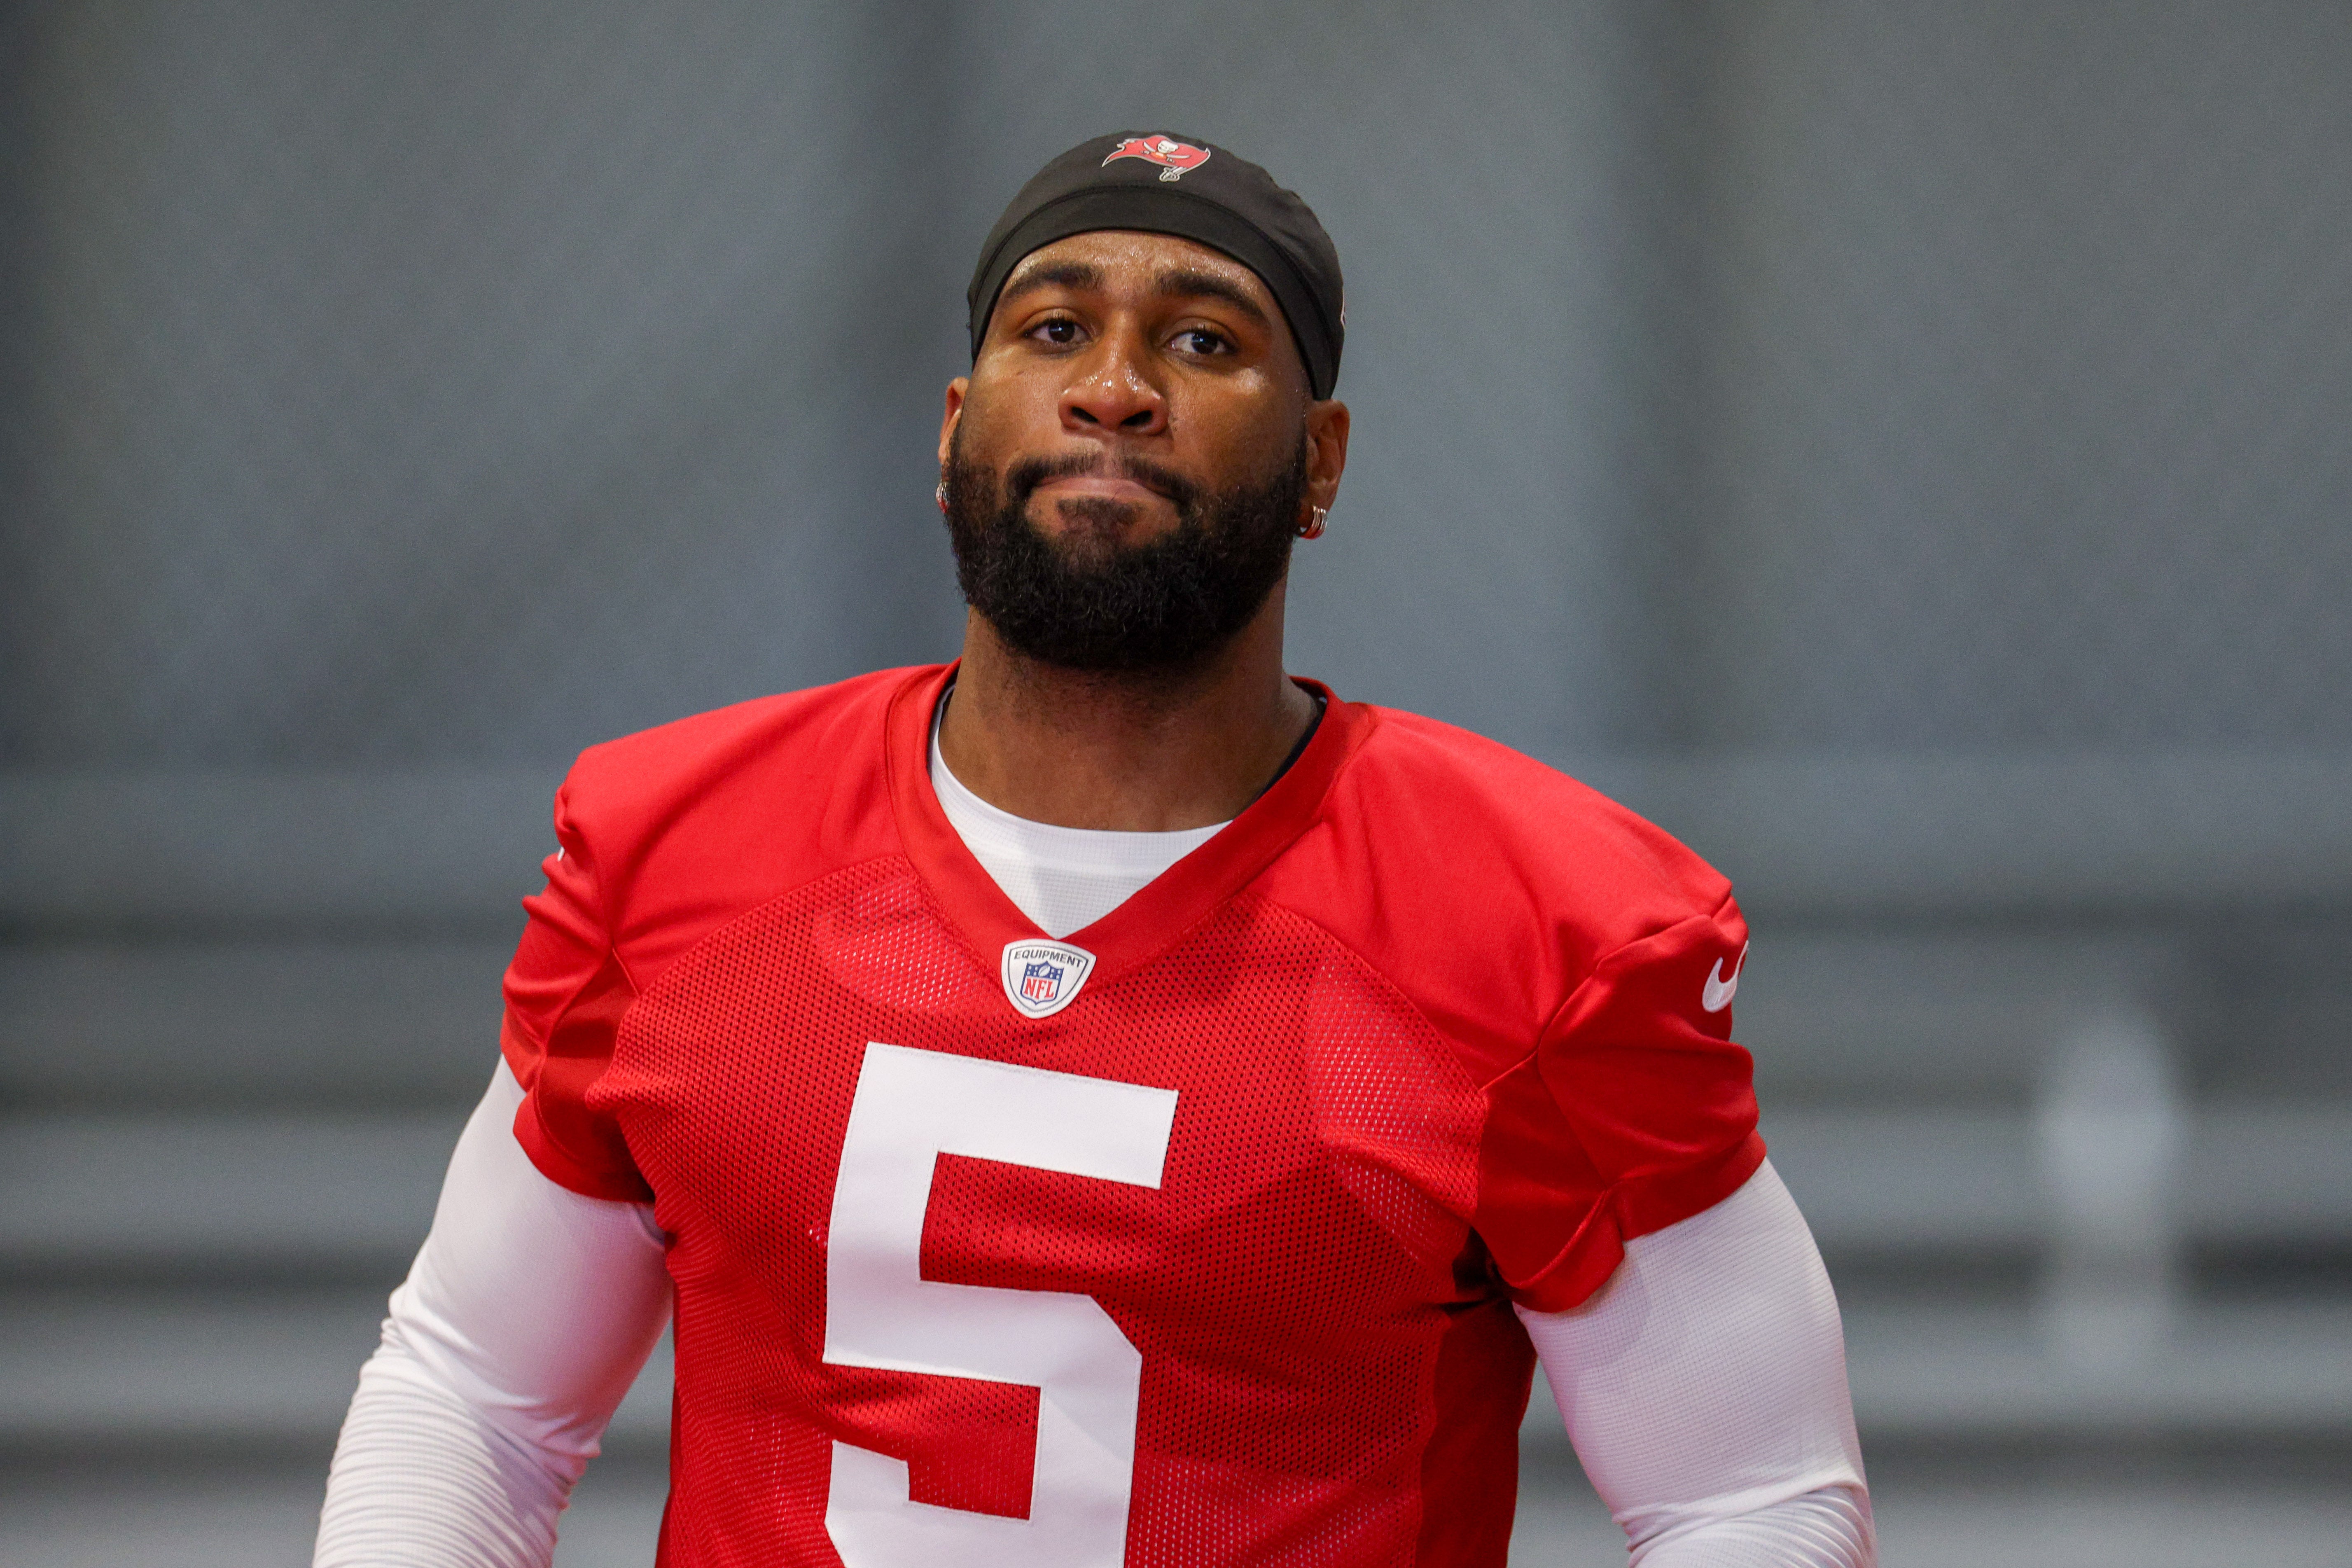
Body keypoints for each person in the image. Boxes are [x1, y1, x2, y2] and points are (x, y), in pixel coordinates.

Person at [315, 132, 1873, 1568]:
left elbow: (1750, 1500)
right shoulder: (679, 848)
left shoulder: (1545, 931)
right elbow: (476, 1401)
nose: (1114, 386)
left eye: (1204, 341)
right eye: (1053, 328)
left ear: (1322, 461)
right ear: (953, 428)